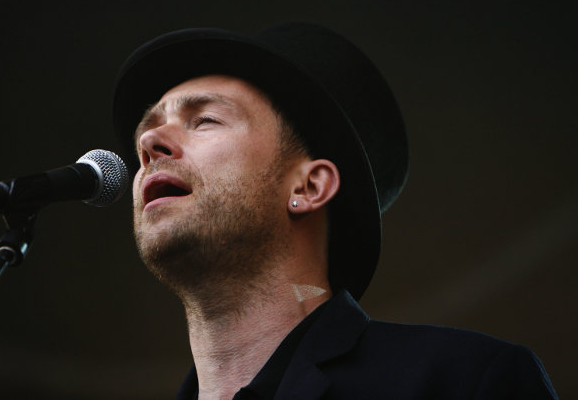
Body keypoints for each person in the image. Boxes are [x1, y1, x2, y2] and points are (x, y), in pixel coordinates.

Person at [112, 22, 558, 400]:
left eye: (205, 120)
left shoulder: (463, 380)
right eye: (147, 131)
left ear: (308, 187)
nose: (148, 143)